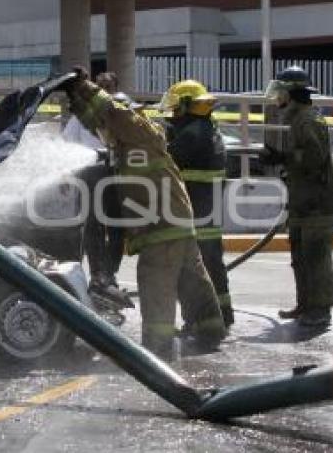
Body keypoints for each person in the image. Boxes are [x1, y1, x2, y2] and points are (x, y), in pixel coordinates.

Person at [63, 67, 226, 359]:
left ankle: (157, 347)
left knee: (155, 277)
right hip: (175, 218)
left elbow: (112, 112)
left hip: (162, 223)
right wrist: (75, 100)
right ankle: (209, 329)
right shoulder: (128, 140)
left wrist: (85, 86)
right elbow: (100, 124)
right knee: (192, 279)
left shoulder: (139, 129)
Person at [262, 66, 333, 328]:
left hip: (317, 205)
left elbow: (314, 159)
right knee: (300, 257)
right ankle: (305, 304)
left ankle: (320, 310)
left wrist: (283, 158)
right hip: (302, 203)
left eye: (281, 93)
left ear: (292, 93)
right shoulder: (296, 119)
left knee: (316, 258)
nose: (278, 98)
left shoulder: (308, 120)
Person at [160, 80, 234, 327]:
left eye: (175, 109)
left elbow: (168, 160)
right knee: (212, 263)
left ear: (186, 106)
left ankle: (202, 320)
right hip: (206, 209)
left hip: (196, 208)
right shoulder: (207, 127)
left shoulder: (192, 132)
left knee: (194, 268)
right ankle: (223, 314)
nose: (172, 115)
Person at [62, 71, 131, 310]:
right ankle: (98, 275)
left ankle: (109, 274)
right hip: (89, 174)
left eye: (107, 86)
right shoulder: (81, 118)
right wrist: (66, 176)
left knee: (117, 228)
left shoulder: (122, 111)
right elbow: (67, 144)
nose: (102, 89)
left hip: (116, 175)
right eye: (99, 85)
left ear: (114, 88)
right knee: (92, 226)